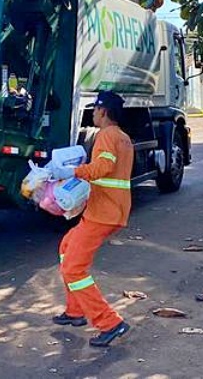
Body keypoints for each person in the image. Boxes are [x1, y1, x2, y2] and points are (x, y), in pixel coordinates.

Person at [50, 90, 134, 348]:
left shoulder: (107, 135)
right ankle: (75, 311)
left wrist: (71, 171)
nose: (94, 114)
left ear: (104, 111)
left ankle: (109, 322)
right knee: (66, 247)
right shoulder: (122, 137)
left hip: (103, 212)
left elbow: (102, 168)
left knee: (74, 268)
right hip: (108, 210)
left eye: (96, 110)